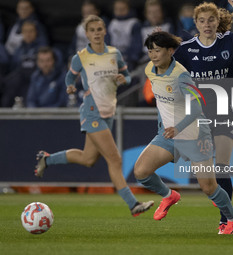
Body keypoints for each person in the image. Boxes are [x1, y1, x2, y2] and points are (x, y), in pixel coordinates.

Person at [34, 15, 154, 216]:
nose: (97, 33)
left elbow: (129, 76)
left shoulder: (114, 54)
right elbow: (69, 76)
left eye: (100, 29)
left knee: (88, 159)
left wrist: (123, 78)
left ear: (105, 31)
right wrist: (70, 86)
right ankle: (133, 205)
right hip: (92, 112)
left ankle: (46, 159)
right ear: (87, 34)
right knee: (115, 159)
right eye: (92, 30)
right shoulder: (80, 57)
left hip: (108, 112)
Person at [134, 31, 233, 235]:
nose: (154, 55)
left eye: (158, 50)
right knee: (141, 171)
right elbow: (161, 100)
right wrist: (163, 125)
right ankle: (169, 195)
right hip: (169, 136)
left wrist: (178, 127)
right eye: (150, 51)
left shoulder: (181, 76)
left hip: (194, 134)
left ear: (170, 51)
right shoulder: (150, 69)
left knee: (209, 187)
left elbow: (196, 106)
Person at [173, 0, 233, 233]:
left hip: (225, 113)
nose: (207, 24)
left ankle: (226, 220)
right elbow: (171, 73)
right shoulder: (186, 49)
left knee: (222, 167)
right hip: (198, 117)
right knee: (205, 177)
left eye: (211, 20)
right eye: (202, 21)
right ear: (195, 23)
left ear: (218, 22)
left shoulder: (231, 41)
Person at [1, 21, 47, 107]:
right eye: (25, 31)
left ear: (36, 32)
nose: (28, 34)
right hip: (21, 81)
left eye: (31, 31)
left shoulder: (42, 47)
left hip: (36, 80)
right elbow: (13, 67)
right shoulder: (18, 50)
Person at [108, 0, 142, 71]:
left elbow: (136, 45)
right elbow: (106, 42)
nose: (120, 12)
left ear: (129, 9)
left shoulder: (134, 23)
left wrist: (129, 58)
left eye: (122, 9)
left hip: (128, 59)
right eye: (117, 9)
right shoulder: (111, 24)